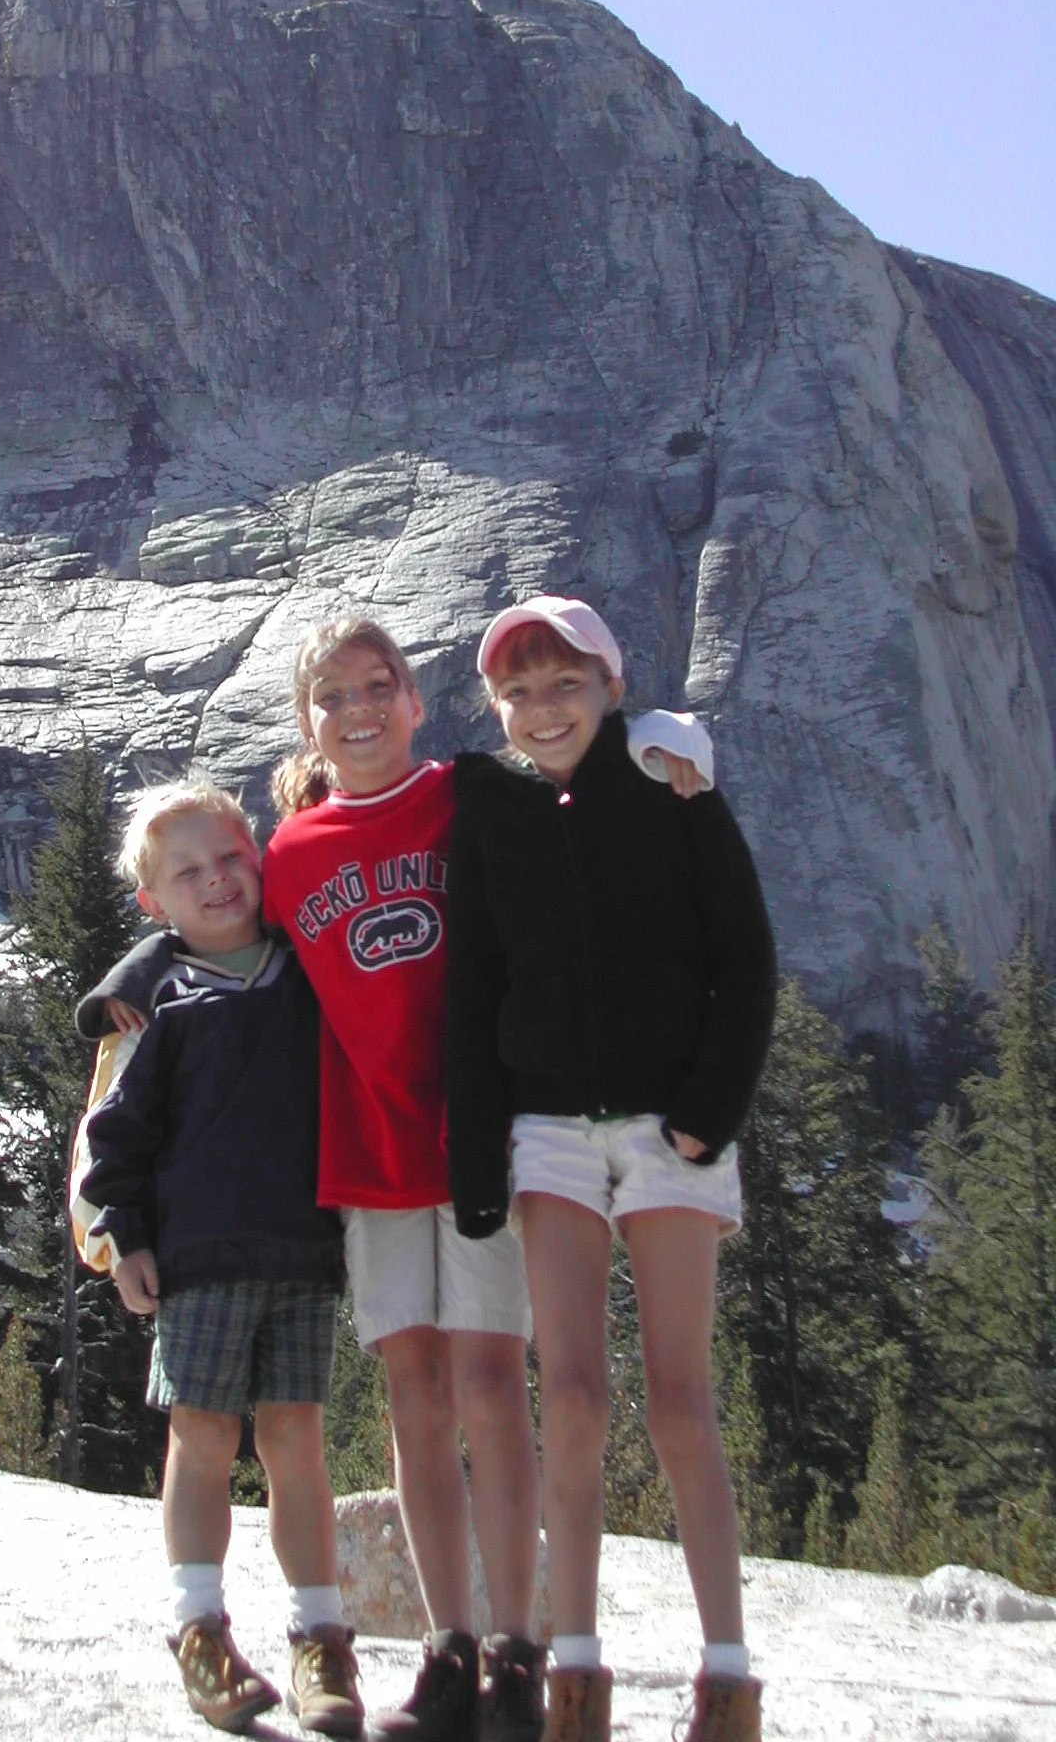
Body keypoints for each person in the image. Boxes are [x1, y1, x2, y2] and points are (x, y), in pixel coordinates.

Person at [261, 617, 711, 1742]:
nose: (360, 708)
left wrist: (666, 730)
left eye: (381, 684)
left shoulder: (473, 797)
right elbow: (210, 932)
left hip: (485, 1140)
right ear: (308, 722)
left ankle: (518, 1644)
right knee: (413, 1394)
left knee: (491, 1386)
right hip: (368, 1154)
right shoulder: (288, 853)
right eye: (334, 695)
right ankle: (448, 1648)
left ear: (417, 701)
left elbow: (579, 761)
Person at [445, 596, 777, 1742]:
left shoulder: (676, 791)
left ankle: (726, 1677)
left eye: (566, 684)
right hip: (546, 1130)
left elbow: (745, 955)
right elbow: (472, 987)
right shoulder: (488, 815)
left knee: (682, 1400)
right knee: (572, 1396)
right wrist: (476, 1156)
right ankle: (572, 1675)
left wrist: (708, 1111)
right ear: (497, 706)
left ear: (612, 687)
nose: (543, 709)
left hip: (669, 1126)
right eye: (520, 691)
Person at [76, 778, 363, 1737]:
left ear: (259, 855)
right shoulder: (157, 1000)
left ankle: (319, 1637)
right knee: (200, 1439)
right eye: (187, 873)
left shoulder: (303, 967)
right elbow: (119, 1137)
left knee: (296, 1445)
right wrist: (124, 1239)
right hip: (197, 1258)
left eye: (231, 857)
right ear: (152, 904)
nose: (217, 882)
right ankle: (198, 1627)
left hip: (301, 1247)